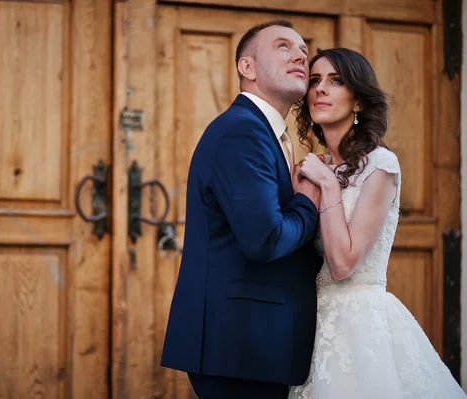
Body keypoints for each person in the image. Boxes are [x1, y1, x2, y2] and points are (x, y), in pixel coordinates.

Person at [288, 47, 466, 398]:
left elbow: (342, 263)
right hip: (311, 324)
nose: (320, 89)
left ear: (358, 102)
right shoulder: (314, 167)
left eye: (336, 81)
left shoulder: (380, 165)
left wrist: (325, 183)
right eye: (314, 80)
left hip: (361, 327)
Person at [160, 20, 323, 399]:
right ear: (246, 68)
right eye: (283, 46)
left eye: (303, 50)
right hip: (239, 345)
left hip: (254, 345)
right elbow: (265, 239)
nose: (301, 55)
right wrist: (307, 202)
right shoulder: (242, 130)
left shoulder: (266, 133)